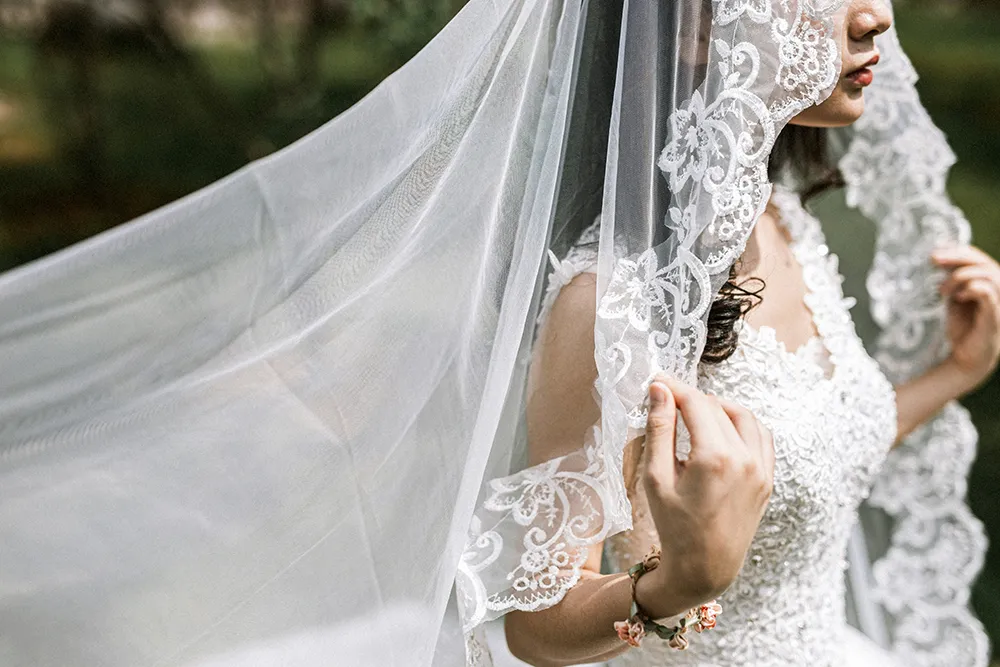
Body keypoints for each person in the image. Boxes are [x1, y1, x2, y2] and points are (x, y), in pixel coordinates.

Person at [0, 1, 994, 666]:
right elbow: (533, 620)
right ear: (695, 28)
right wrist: (677, 584)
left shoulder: (779, 220)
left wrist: (952, 372)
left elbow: (801, 459)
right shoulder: (608, 304)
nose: (876, 13)